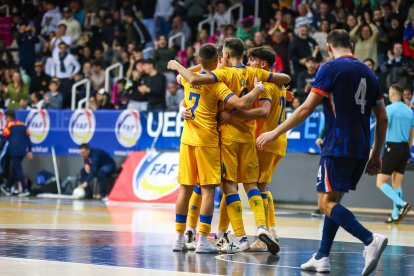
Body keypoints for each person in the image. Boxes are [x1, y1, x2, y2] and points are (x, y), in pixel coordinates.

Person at [256, 29, 388, 275]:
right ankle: (322, 256)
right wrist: (376, 153)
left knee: (325, 203)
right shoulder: (371, 73)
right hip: (361, 148)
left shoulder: (330, 68)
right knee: (334, 200)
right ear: (351, 45)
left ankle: (370, 239)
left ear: (328, 47)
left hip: (337, 144)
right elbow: (382, 118)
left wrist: (274, 132)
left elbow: (306, 109)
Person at [168, 37, 290, 254]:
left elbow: (188, 79)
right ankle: (263, 227)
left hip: (215, 138)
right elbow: (282, 79)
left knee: (212, 188)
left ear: (224, 56)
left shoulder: (219, 77)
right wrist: (258, 89)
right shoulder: (258, 76)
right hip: (250, 138)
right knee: (254, 186)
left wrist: (180, 66)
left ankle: (225, 234)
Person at [217, 46, 289, 251]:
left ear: (262, 64)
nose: (249, 64)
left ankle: (227, 233)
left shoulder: (264, 83)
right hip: (276, 140)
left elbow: (264, 111)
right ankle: (270, 230)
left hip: (263, 139)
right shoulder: (277, 84)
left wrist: (234, 115)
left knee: (235, 186)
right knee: (260, 186)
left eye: (253, 60)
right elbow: (284, 83)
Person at [375, 84, 413, 223]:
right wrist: (407, 150)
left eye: (390, 93)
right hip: (405, 149)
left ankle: (402, 204)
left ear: (394, 94)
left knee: (380, 182)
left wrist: (375, 148)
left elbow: (382, 130)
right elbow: (411, 134)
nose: (389, 96)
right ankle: (396, 215)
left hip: (393, 147)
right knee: (396, 183)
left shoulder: (389, 109)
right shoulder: (409, 111)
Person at [0, 110, 33, 197]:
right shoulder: (22, 124)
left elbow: (3, 138)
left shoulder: (9, 125)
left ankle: (25, 189)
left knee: (18, 170)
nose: (6, 119)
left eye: (6, 118)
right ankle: (8, 187)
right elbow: (28, 138)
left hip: (14, 150)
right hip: (23, 151)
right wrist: (29, 150)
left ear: (8, 117)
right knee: (15, 169)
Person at [51, 42, 80, 108]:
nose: (62, 49)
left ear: (66, 48)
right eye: (61, 48)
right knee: (57, 95)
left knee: (66, 94)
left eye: (64, 48)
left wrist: (73, 74)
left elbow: (78, 66)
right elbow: (53, 66)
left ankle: (66, 108)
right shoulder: (55, 56)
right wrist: (53, 76)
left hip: (67, 78)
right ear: (59, 48)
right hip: (58, 78)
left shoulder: (70, 57)